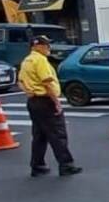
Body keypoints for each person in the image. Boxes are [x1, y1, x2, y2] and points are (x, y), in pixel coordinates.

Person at [18, 35, 81, 177]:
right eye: (46, 45)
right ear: (37, 46)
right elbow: (46, 82)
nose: (48, 48)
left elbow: (20, 81)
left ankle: (37, 165)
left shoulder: (27, 60)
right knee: (58, 134)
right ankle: (66, 165)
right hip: (46, 101)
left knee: (39, 135)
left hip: (34, 102)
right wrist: (57, 102)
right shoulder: (40, 61)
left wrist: (29, 91)